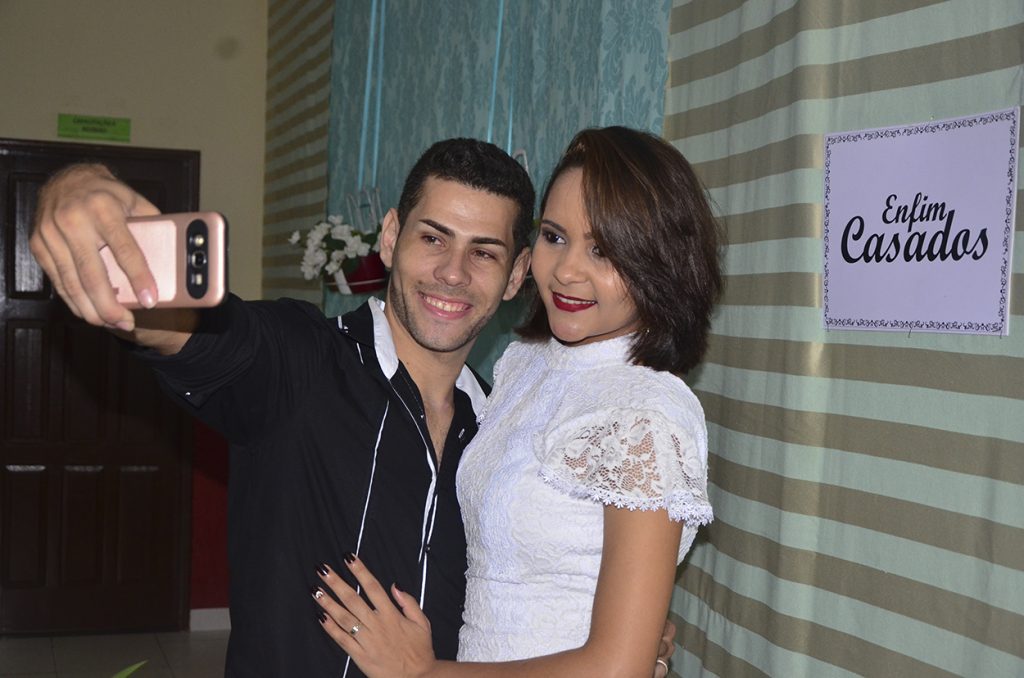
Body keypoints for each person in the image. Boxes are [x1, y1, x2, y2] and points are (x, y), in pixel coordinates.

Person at [30, 138, 676, 678]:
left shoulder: (501, 424)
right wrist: (79, 189)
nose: (453, 272)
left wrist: (611, 636)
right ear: (390, 238)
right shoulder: (300, 361)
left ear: (515, 275)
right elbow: (190, 329)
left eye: (483, 252)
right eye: (433, 238)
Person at [312, 126, 721, 678]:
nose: (567, 270)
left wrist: (423, 673)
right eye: (555, 236)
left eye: (602, 249)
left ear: (660, 262)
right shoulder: (526, 363)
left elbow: (617, 668)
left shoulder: (645, 413)